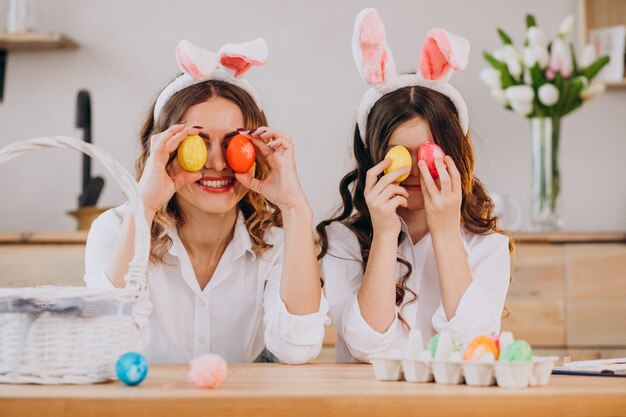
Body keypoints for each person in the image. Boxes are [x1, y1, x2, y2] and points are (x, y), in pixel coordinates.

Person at [85, 38, 328, 364]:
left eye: (234, 144)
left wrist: (296, 208)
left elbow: (297, 349)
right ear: (163, 150)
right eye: (196, 144)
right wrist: (143, 205)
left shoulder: (278, 242)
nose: (217, 163)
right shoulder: (115, 231)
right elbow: (106, 345)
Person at [317, 9, 512, 362]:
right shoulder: (342, 242)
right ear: (374, 157)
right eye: (397, 155)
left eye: (430, 153)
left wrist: (446, 231)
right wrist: (385, 233)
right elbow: (367, 347)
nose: (416, 170)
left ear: (454, 155)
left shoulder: (488, 247)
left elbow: (475, 345)